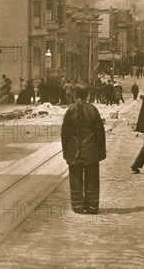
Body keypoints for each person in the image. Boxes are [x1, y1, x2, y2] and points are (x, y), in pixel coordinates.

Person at [61, 82, 106, 214]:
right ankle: (92, 206)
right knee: (92, 178)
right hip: (91, 151)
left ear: (74, 94)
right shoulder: (93, 110)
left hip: (74, 151)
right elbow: (100, 133)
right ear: (88, 94)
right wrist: (101, 152)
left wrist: (66, 152)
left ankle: (77, 206)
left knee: (75, 178)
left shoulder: (70, 111)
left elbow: (65, 133)